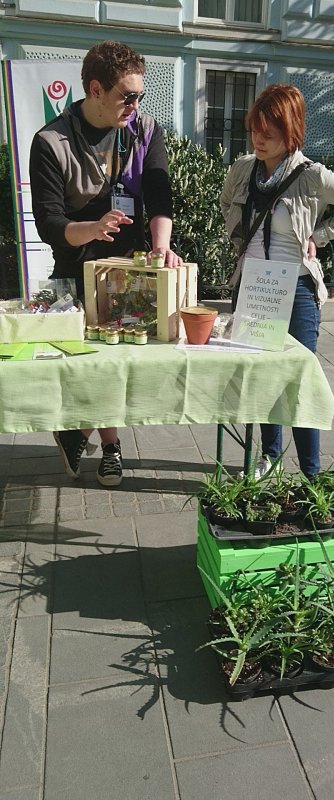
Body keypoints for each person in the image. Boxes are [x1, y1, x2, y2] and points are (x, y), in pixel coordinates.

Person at [29, 40, 182, 487]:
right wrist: (93, 229)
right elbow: (50, 224)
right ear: (95, 89)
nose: (135, 106)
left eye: (139, 96)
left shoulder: (145, 130)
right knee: (93, 367)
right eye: (126, 97)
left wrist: (160, 248)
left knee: (120, 366)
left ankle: (81, 433)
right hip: (76, 272)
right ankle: (108, 444)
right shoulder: (51, 141)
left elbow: (160, 199)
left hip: (130, 272)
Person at [220, 83, 334, 480]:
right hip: (252, 288)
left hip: (295, 292)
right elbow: (226, 204)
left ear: (290, 131)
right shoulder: (243, 169)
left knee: (299, 380)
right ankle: (269, 457)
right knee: (262, 378)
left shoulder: (312, 176)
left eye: (268, 133)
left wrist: (319, 236)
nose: (258, 139)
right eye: (254, 130)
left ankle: (312, 473)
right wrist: (240, 239)